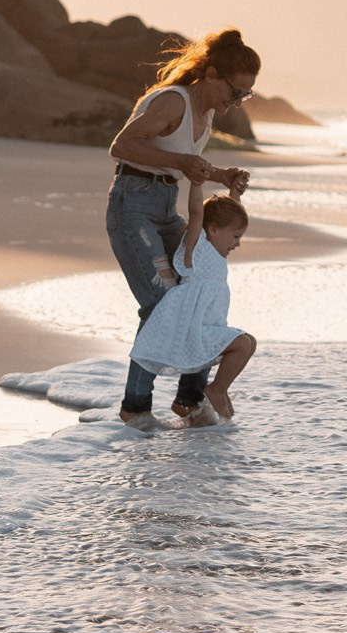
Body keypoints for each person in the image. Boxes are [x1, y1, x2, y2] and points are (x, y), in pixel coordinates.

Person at [106, 28, 258, 422]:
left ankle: (189, 401)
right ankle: (135, 409)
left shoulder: (205, 113)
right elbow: (121, 146)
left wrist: (222, 176)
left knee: (198, 296)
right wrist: (183, 165)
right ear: (211, 75)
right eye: (236, 92)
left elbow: (182, 160)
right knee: (162, 303)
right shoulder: (175, 101)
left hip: (164, 206)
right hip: (133, 205)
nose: (237, 102)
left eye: (246, 95)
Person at [129, 179, 255, 427]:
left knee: (249, 342)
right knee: (241, 344)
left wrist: (234, 194)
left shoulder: (218, 250)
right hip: (191, 328)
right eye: (236, 236)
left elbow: (227, 217)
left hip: (207, 326)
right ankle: (216, 389)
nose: (238, 243)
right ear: (214, 229)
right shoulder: (195, 247)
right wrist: (196, 184)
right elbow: (197, 213)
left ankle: (209, 392)